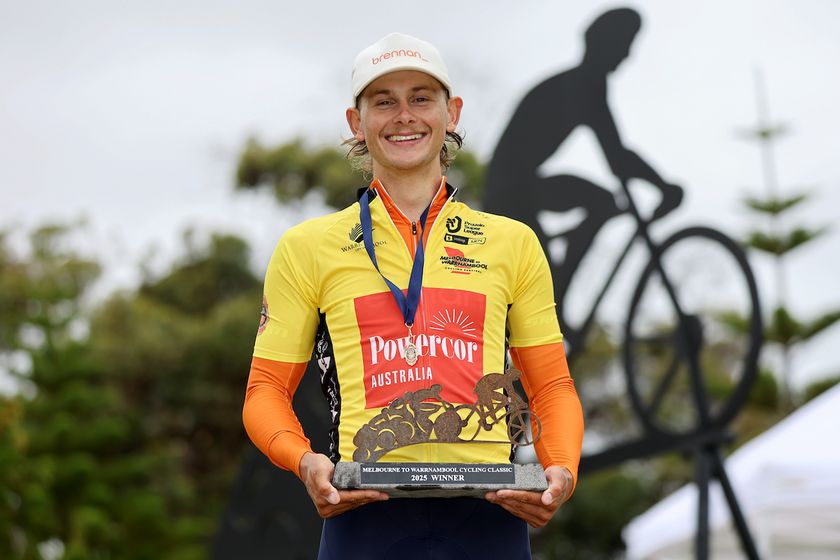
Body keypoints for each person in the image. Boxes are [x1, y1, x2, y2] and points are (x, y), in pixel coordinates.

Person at [243, 32, 584, 559]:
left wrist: (561, 469)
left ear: (452, 113)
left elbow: (553, 387)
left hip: (488, 515)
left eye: (421, 98)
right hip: (364, 514)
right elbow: (264, 391)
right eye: (384, 101)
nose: (405, 115)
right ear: (357, 122)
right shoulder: (307, 247)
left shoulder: (511, 243)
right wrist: (304, 460)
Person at [484, 8, 683, 347]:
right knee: (600, 204)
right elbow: (618, 158)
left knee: (602, 203)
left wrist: (658, 185)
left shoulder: (586, 82)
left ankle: (556, 291)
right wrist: (661, 186)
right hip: (510, 190)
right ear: (605, 45)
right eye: (624, 44)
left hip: (522, 183)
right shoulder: (584, 84)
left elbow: (616, 156)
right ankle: (555, 298)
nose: (627, 54)